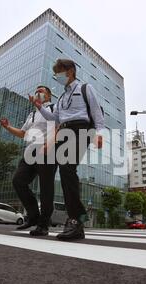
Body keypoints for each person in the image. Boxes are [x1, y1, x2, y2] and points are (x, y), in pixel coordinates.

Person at [32, 59, 104, 241]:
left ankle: (75, 220)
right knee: (50, 169)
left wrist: (99, 133)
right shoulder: (62, 98)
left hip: (81, 129)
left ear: (70, 71)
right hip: (63, 130)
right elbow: (54, 118)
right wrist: (40, 107)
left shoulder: (85, 88)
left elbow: (96, 111)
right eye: (56, 74)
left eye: (60, 73)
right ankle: (51, 221)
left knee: (66, 168)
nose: (57, 77)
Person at [1, 86, 58, 237]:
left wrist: (49, 144)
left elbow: (58, 126)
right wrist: (8, 127)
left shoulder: (53, 107)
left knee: (46, 187)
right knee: (18, 181)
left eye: (41, 90)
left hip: (47, 149)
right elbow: (23, 133)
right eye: (36, 90)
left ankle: (43, 224)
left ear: (48, 95)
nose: (37, 92)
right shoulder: (32, 114)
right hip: (30, 152)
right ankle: (33, 216)